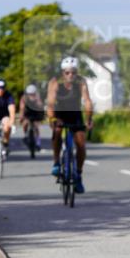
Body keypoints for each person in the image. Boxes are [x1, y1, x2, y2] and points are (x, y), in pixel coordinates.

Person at [46, 57, 93, 193]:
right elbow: (50, 103)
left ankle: (78, 174)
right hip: (60, 114)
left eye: (73, 72)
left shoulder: (81, 82)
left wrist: (89, 118)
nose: (70, 75)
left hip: (75, 114)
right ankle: (56, 162)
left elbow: (87, 101)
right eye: (67, 72)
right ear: (62, 73)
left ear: (77, 72)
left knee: (81, 144)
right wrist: (52, 119)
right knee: (57, 131)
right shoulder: (55, 82)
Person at [19, 84, 46, 152]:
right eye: (30, 94)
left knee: (36, 127)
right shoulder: (24, 98)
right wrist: (21, 116)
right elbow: (22, 108)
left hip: (35, 113)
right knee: (25, 123)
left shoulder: (37, 97)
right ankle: (26, 135)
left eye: (32, 93)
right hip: (27, 113)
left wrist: (37, 102)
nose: (31, 95)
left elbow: (41, 107)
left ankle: (38, 143)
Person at [0, 79, 16, 153]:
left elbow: (12, 109)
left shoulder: (8, 96)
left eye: (2, 88)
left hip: (4, 116)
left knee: (7, 127)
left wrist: (12, 123)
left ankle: (6, 142)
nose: (0, 90)